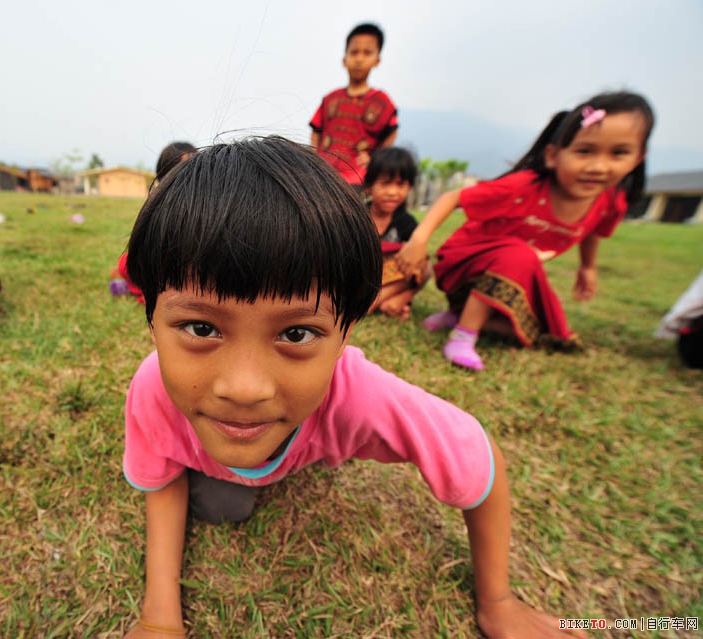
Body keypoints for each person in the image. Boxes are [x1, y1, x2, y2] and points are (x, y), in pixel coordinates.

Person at [120, 137, 584, 639]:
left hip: (317, 436)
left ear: (345, 336)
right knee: (223, 506)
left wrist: (498, 602)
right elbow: (163, 482)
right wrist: (159, 618)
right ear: (151, 321)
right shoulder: (152, 390)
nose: (244, 388)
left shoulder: (359, 395)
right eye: (201, 328)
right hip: (228, 475)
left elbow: (480, 459)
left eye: (296, 333)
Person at [397, 91, 654, 371]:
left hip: (517, 271)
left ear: (639, 157)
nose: (598, 166)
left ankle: (460, 316)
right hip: (463, 264)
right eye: (585, 151)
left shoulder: (610, 201)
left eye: (619, 153)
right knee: (518, 254)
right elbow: (453, 198)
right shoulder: (525, 187)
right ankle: (463, 336)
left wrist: (587, 268)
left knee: (546, 334)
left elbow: (592, 231)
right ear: (553, 155)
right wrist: (418, 241)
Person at [309, 23, 399, 187]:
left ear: (377, 60)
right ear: (344, 59)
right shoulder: (330, 99)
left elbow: (391, 132)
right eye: (354, 52)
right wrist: (314, 159)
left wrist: (375, 160)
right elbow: (316, 130)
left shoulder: (382, 102)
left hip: (358, 179)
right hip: (323, 175)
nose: (359, 59)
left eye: (367, 53)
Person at [111, 142, 196, 304]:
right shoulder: (158, 202)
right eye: (181, 167)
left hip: (186, 267)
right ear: (164, 173)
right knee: (126, 264)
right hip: (159, 264)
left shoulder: (205, 202)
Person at [364, 147, 429, 319]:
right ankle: (376, 302)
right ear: (370, 186)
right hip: (358, 279)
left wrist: (404, 297)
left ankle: (375, 302)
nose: (393, 192)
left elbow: (417, 268)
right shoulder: (357, 216)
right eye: (385, 183)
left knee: (424, 264)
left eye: (400, 185)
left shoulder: (407, 223)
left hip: (388, 282)